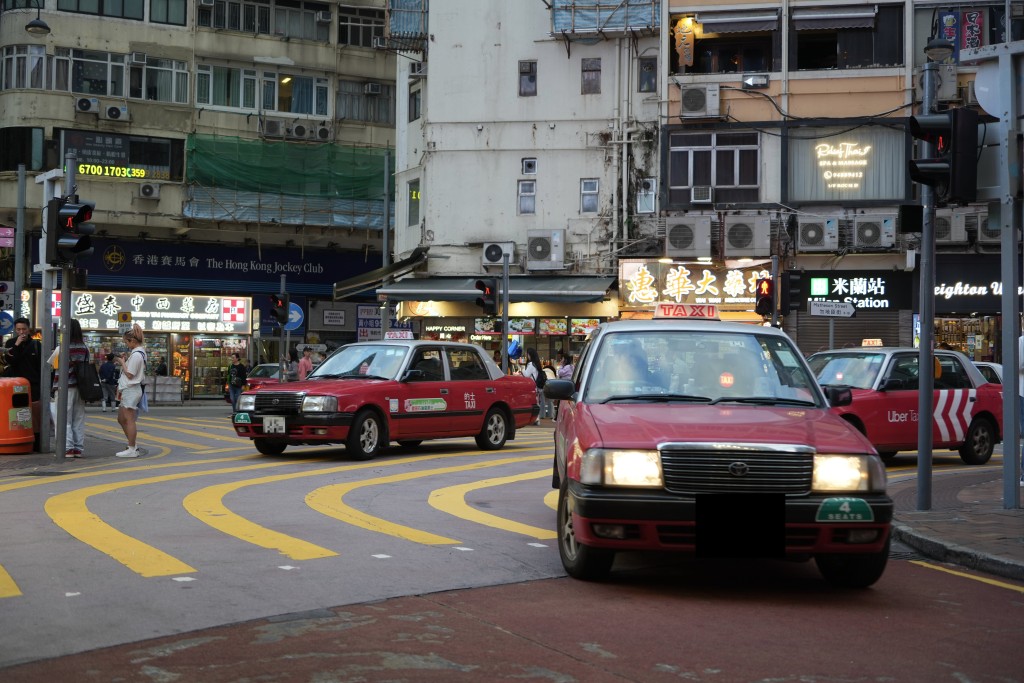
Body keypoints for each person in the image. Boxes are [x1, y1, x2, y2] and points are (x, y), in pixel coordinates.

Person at [3, 317, 42, 448]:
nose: (21, 332)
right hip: (15, 386)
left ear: (28, 329)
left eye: (24, 329)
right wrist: (17, 345)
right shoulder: (10, 343)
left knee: (35, 415)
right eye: (18, 329)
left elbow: (41, 367)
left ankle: (36, 442)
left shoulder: (36, 345)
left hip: (33, 385)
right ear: (15, 329)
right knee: (17, 414)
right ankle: (19, 439)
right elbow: (11, 361)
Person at [56, 319, 89, 458]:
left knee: (64, 418)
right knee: (78, 419)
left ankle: (68, 448)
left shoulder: (63, 347)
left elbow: (55, 367)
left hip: (65, 387)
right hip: (81, 388)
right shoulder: (84, 348)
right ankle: (78, 448)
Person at [114, 324, 147, 458]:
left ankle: (132, 448)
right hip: (129, 389)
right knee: (121, 419)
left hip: (131, 389)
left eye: (126, 342)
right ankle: (132, 445)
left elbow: (130, 374)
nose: (126, 345)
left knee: (129, 419)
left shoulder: (137, 355)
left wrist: (122, 362)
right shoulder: (138, 353)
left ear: (132, 341)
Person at [522, 347, 544, 425]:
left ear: (530, 355)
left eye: (527, 354)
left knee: (532, 403)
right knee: (536, 402)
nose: (526, 355)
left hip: (532, 387)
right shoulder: (536, 364)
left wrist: (522, 369)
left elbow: (526, 375)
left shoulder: (531, 364)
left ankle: (535, 419)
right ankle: (536, 419)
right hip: (536, 387)